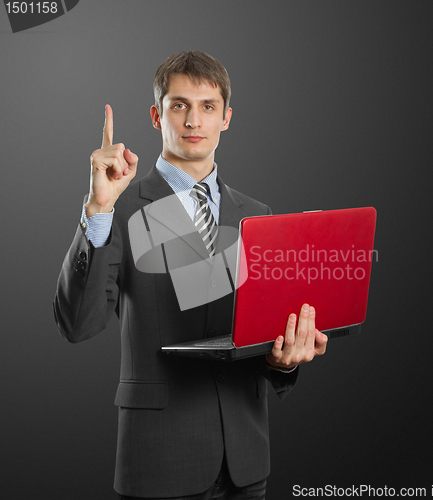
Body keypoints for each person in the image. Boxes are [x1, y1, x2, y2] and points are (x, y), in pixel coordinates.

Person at [53, 51, 328, 500]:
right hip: (159, 460)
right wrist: (98, 210)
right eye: (179, 105)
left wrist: (283, 360)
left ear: (226, 118)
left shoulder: (257, 216)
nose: (193, 121)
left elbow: (258, 336)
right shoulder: (120, 207)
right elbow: (78, 324)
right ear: (157, 115)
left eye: (207, 107)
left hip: (246, 462)